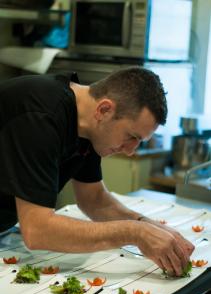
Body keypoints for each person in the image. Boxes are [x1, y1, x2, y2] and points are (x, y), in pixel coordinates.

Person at [0, 66, 194, 276]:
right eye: (132, 136)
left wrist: (149, 226)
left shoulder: (88, 126)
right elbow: (37, 230)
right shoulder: (41, 115)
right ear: (104, 110)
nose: (130, 151)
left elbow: (95, 199)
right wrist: (135, 232)